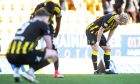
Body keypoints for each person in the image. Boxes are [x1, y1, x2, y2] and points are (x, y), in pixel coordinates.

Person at [6, 9, 58, 83]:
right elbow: (49, 46)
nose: (47, 22)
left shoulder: (26, 23)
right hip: (23, 55)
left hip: (9, 55)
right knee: (54, 54)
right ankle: (30, 72)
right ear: (44, 17)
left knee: (24, 49)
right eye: (47, 20)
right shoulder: (42, 24)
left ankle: (16, 72)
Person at [30, 1, 64, 78]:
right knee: (33, 46)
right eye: (47, 13)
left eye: (51, 13)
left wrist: (56, 32)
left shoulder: (57, 8)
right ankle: (30, 71)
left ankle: (56, 72)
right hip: (37, 23)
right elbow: (33, 23)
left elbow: (58, 22)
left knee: (52, 47)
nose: (49, 14)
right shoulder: (39, 9)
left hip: (48, 24)